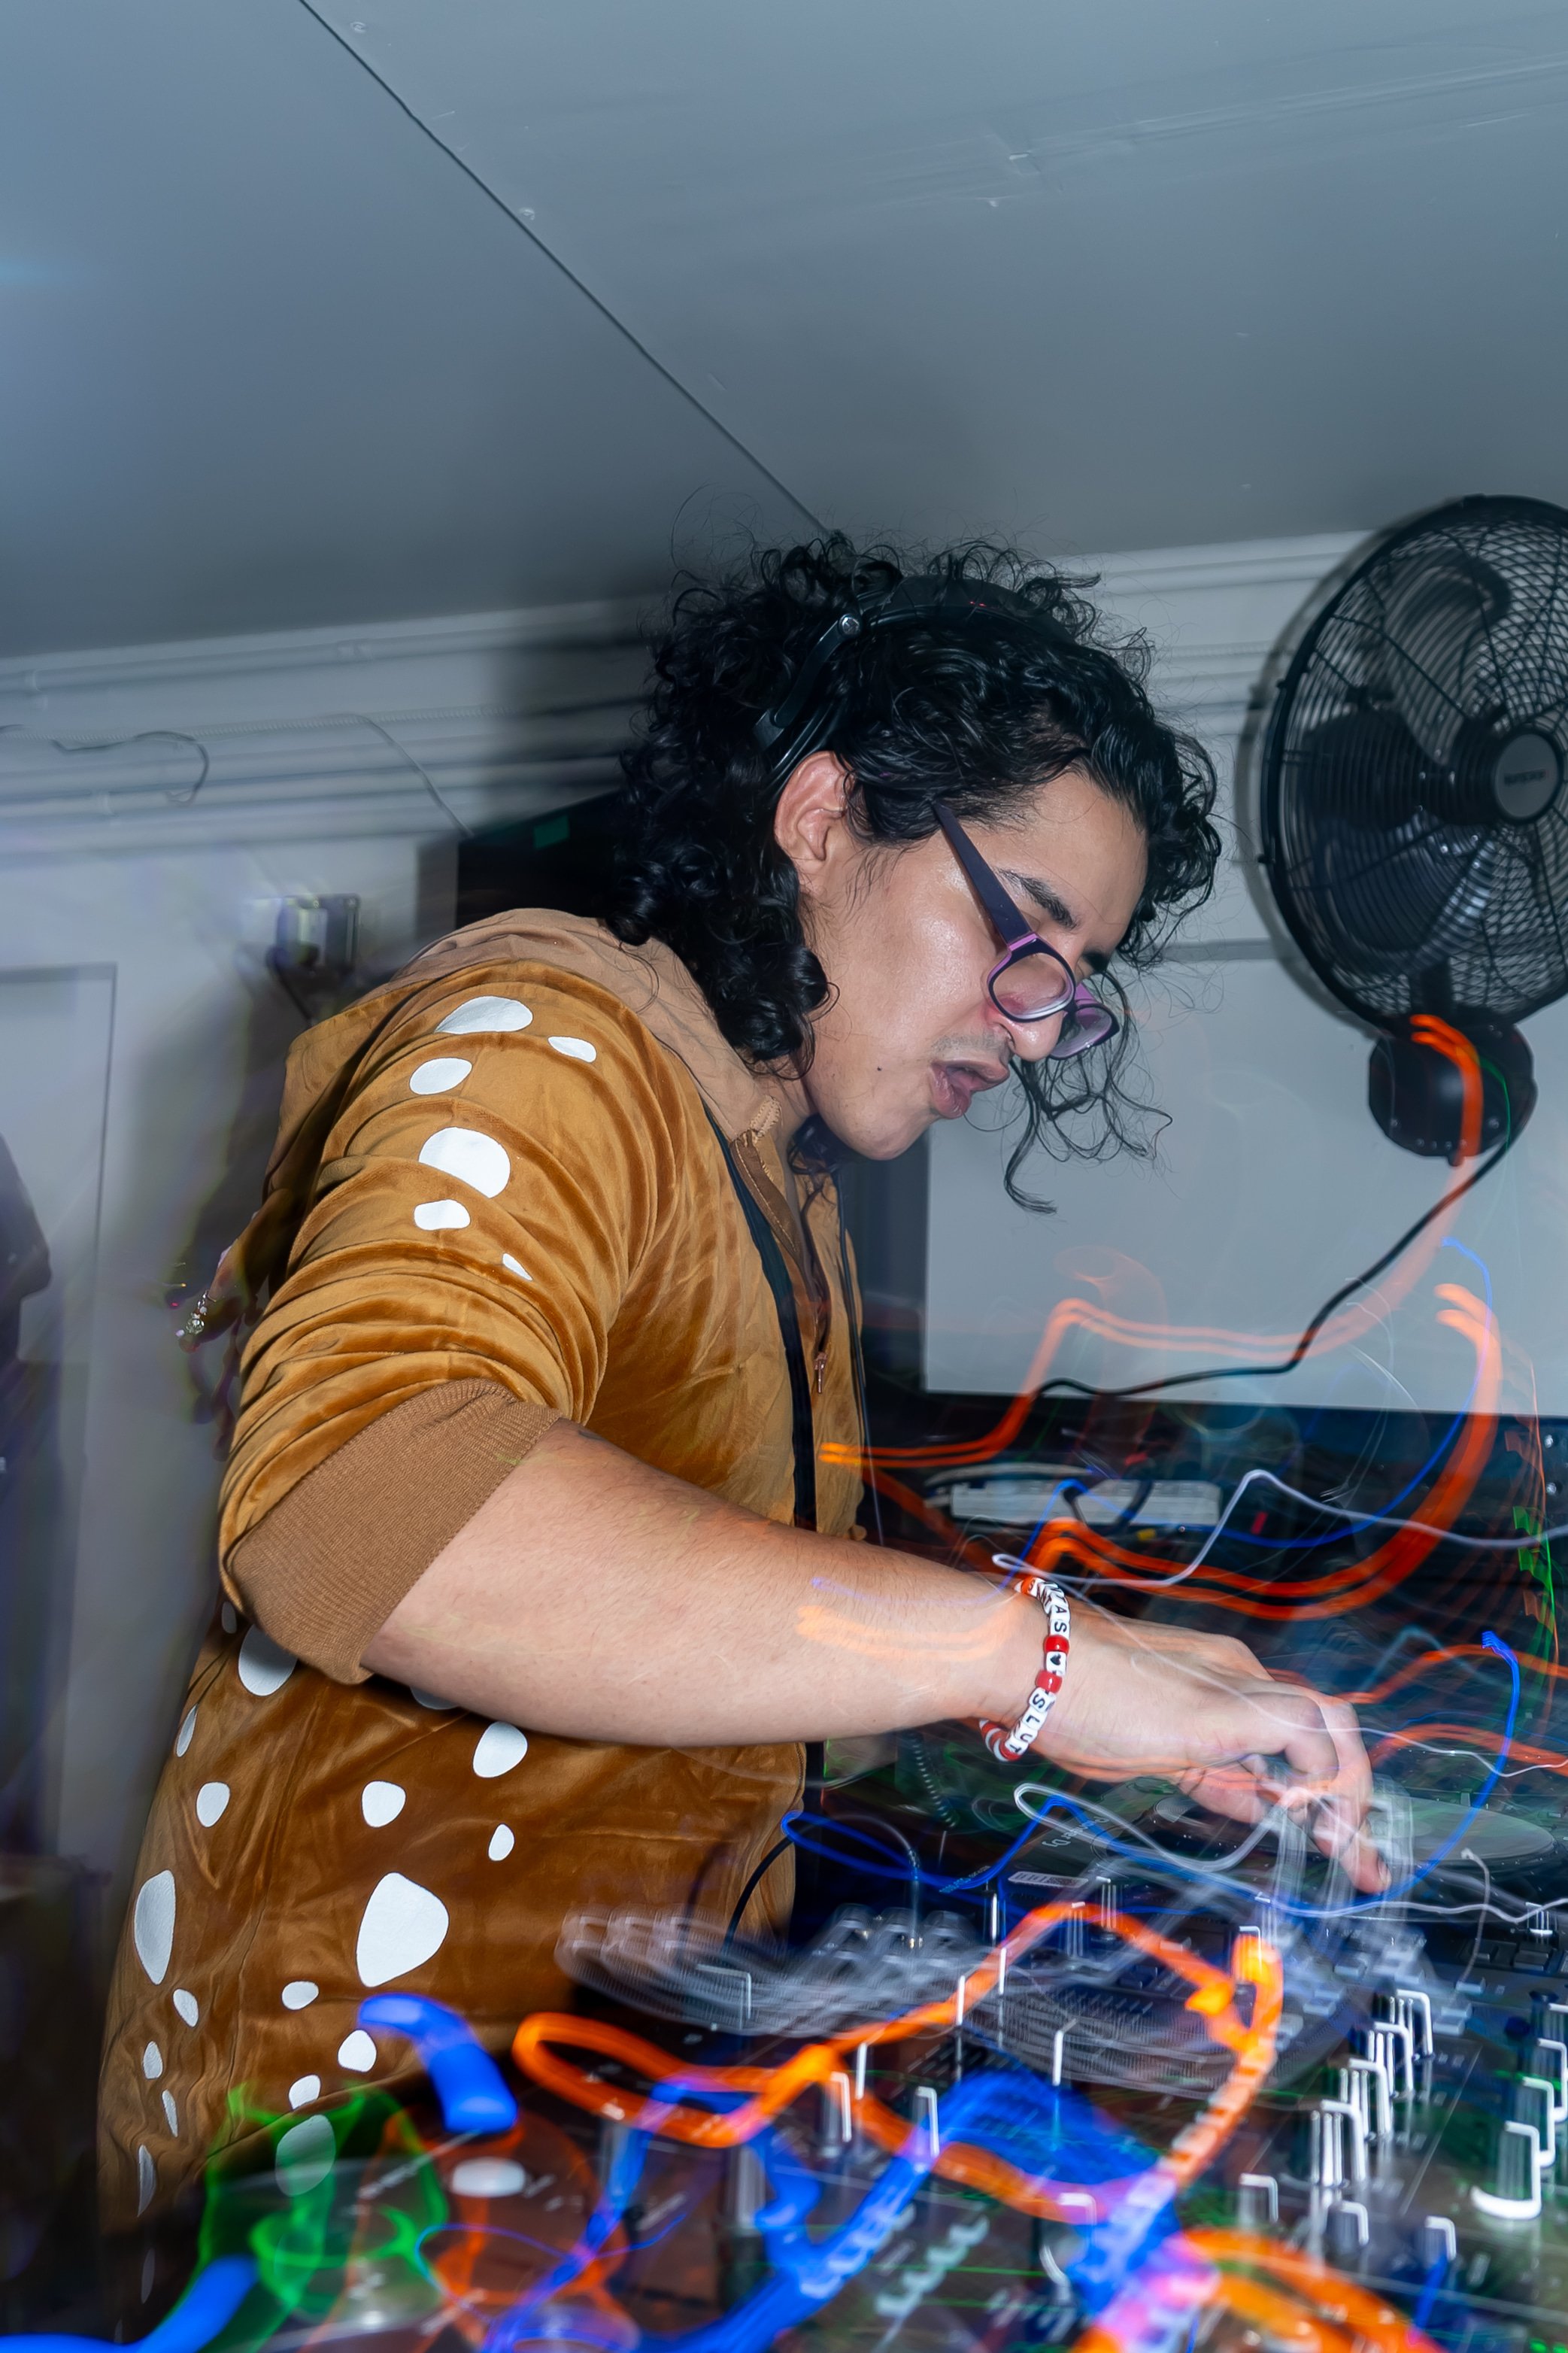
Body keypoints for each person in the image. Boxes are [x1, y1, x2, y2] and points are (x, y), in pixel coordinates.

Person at [99, 539, 1380, 2234]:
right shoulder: (547, 1032)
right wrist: (1031, 1657)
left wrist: (1104, 1700)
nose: (1027, 1024)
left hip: (572, 2152)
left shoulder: (785, 1207)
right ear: (819, 816)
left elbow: (722, 1657)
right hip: (335, 2158)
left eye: (1070, 991)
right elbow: (359, 1508)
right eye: (1024, 936)